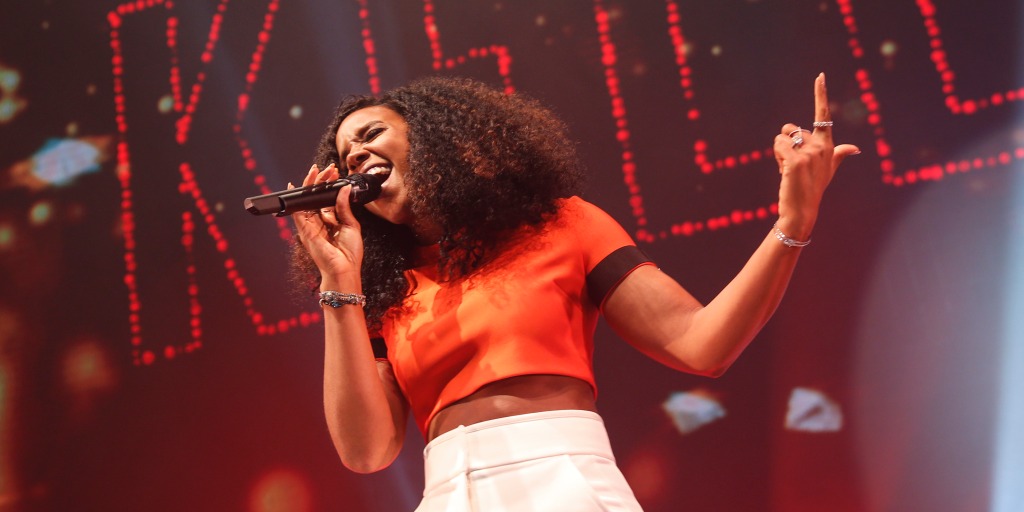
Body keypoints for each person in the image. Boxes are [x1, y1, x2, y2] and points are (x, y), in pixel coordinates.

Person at [289, 74, 858, 511]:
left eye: (371, 134)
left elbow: (700, 344)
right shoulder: (377, 294)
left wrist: (793, 223)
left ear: (436, 140)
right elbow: (366, 453)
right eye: (345, 155)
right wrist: (340, 284)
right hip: (448, 492)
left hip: (565, 479)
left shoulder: (560, 224)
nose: (356, 156)